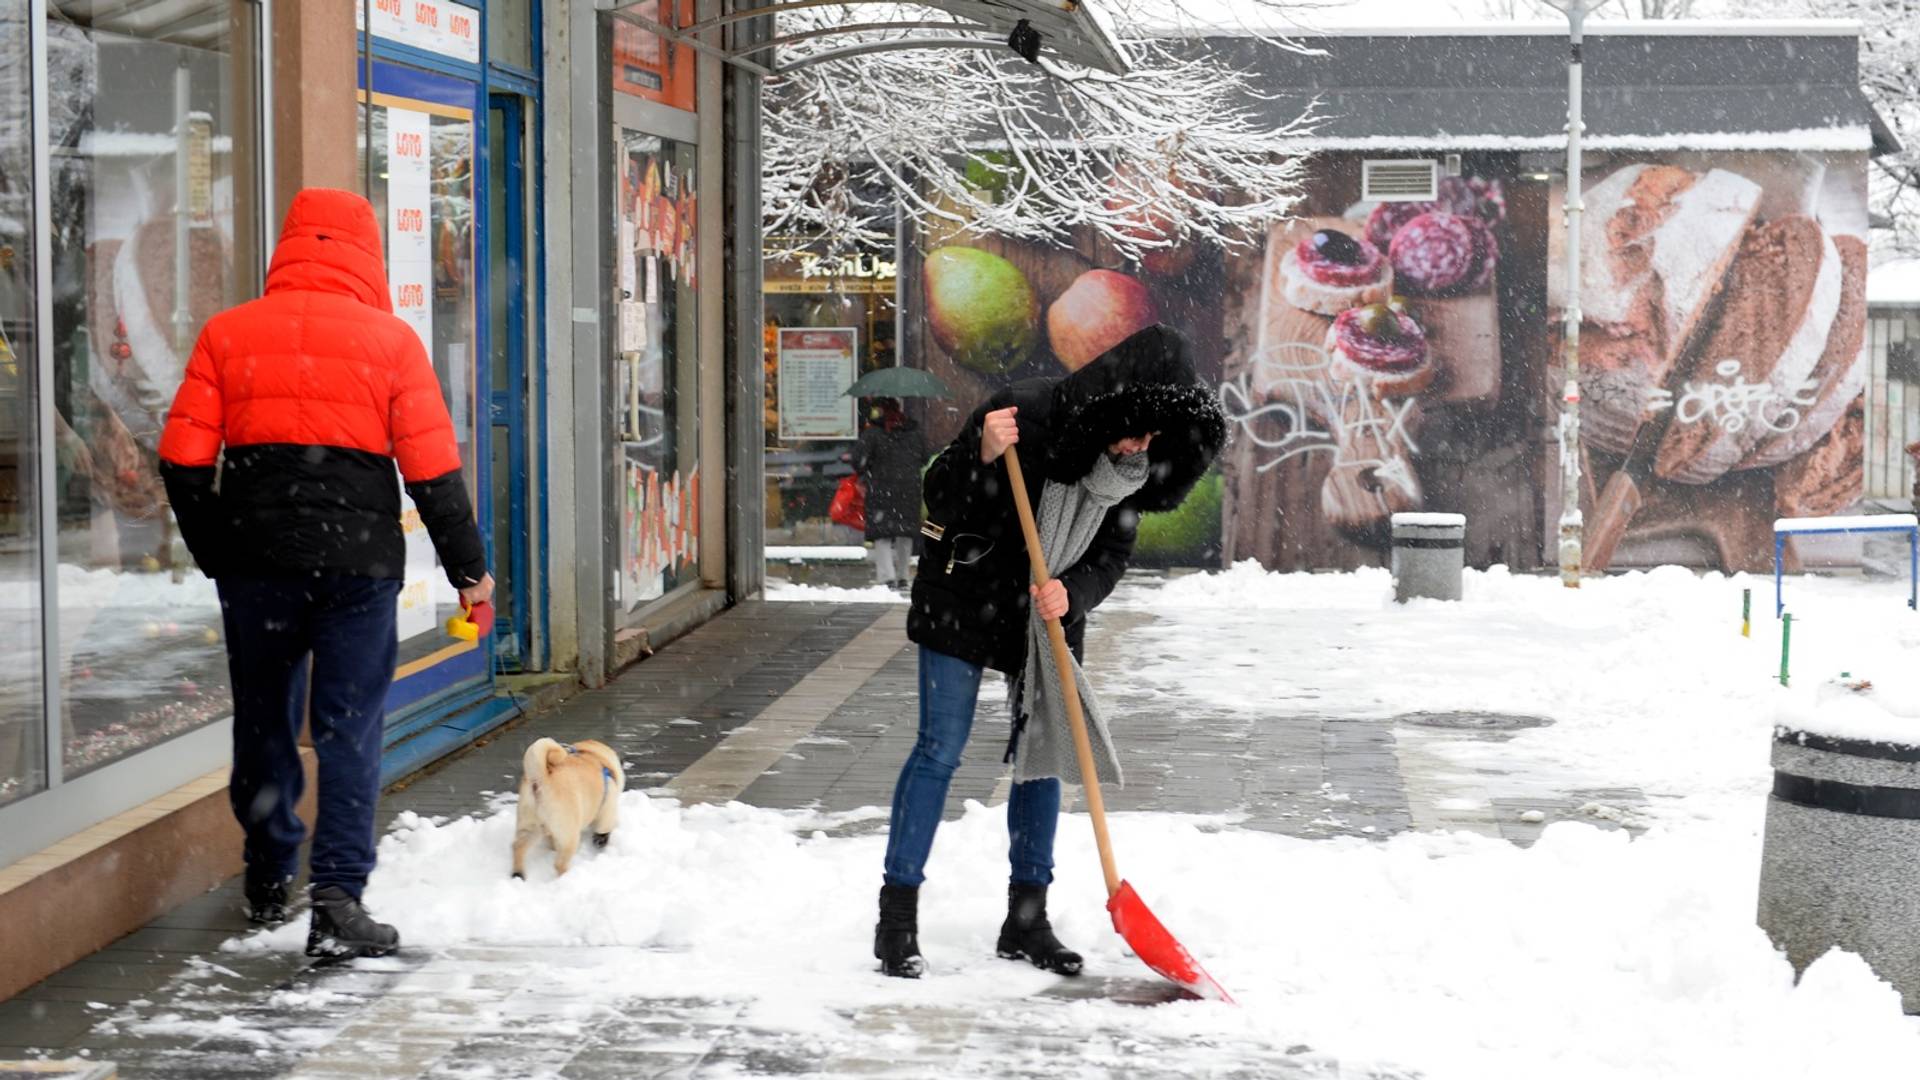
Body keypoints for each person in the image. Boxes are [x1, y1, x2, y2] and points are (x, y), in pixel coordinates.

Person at [158, 189, 491, 961]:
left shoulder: (227, 334)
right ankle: (337, 897)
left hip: (258, 569)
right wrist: (469, 571)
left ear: (288, 248)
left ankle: (269, 871)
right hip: (357, 567)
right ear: (366, 255)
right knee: (349, 731)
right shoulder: (392, 343)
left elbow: (180, 461)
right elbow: (433, 472)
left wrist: (219, 549)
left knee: (264, 717)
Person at [875, 324, 1226, 978]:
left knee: (1044, 759)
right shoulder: (1023, 413)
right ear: (1112, 411)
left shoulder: (1130, 472)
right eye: (1135, 431)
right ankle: (896, 919)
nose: (1141, 447)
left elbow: (1112, 554)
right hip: (963, 594)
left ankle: (1026, 919)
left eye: (1154, 439)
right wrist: (980, 451)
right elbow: (940, 497)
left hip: (1044, 616)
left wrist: (1075, 592)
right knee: (939, 748)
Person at [851, 397, 928, 588]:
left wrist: (868, 469)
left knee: (882, 533)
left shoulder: (873, 434)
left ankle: (887, 577)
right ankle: (903, 575)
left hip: (881, 489)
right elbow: (924, 457)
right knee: (904, 533)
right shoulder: (914, 432)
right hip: (909, 489)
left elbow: (858, 459)